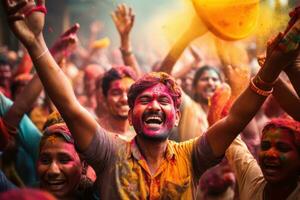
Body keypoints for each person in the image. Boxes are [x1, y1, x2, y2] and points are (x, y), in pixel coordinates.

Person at [3, 1, 300, 199]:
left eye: (164, 101)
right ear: (132, 115)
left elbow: (236, 118)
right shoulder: (108, 153)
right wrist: (35, 42)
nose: (154, 106)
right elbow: (68, 104)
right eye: (144, 100)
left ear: (178, 116)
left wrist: (272, 68)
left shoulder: (192, 155)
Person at [226, 118, 300, 200]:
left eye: (282, 148)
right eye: (265, 147)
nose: (270, 154)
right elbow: (228, 137)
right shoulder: (251, 182)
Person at [96, 66, 137, 141]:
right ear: (104, 98)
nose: (124, 99)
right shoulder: (94, 130)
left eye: (130, 93)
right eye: (116, 93)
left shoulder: (140, 134)